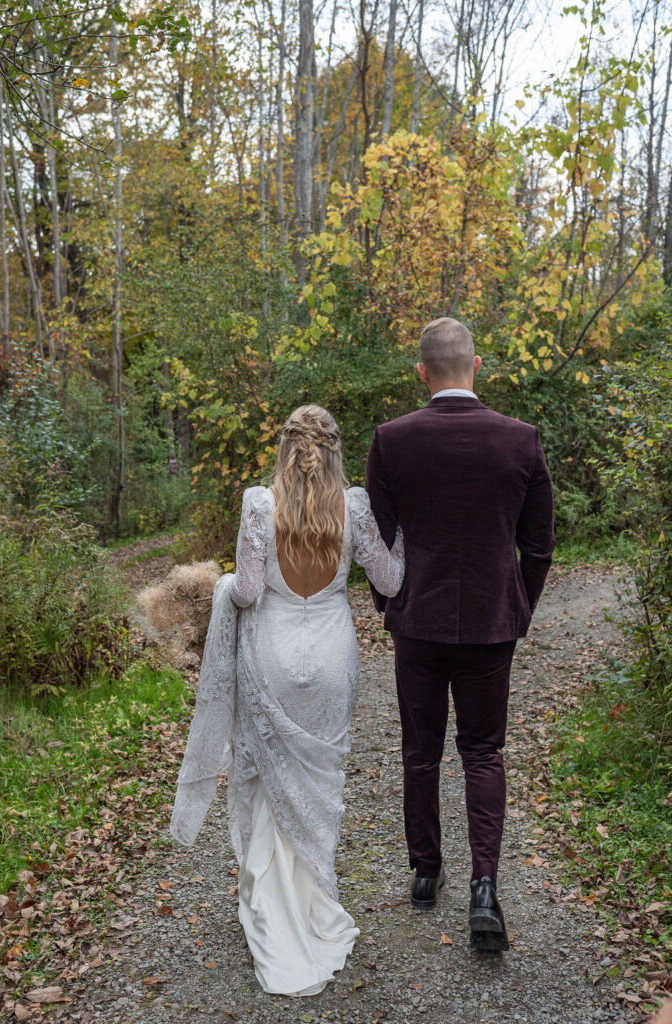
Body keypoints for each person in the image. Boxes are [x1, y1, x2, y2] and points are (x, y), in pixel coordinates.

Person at [170, 404, 405, 996]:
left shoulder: (258, 504)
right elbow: (390, 581)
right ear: (333, 450)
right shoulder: (353, 505)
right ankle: (316, 903)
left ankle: (275, 908)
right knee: (320, 781)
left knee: (271, 780)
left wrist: (219, 585)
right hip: (332, 657)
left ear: (283, 449)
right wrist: (407, 537)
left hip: (272, 655)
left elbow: (247, 593)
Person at [366, 316, 555, 951]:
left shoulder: (392, 440)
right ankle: (484, 887)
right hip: (489, 624)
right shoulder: (520, 440)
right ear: (474, 366)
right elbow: (539, 544)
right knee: (483, 752)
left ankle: (425, 872)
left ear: (423, 373)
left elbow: (379, 543)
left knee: (420, 751)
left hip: (417, 621)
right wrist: (519, 606)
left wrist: (389, 601)